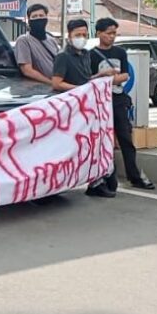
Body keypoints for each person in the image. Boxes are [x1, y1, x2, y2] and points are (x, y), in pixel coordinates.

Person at [89, 17, 155, 192]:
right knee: (103, 140)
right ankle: (106, 175)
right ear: (99, 33)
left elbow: (125, 75)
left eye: (114, 33)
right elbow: (89, 79)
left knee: (125, 138)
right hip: (100, 101)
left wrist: (110, 79)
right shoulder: (91, 55)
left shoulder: (120, 52)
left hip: (118, 99)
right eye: (108, 33)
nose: (112, 36)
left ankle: (134, 175)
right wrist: (104, 77)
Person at [52, 19, 115, 198]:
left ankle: (96, 182)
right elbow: (57, 83)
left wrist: (99, 76)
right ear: (69, 35)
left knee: (91, 144)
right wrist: (80, 90)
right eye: (77, 35)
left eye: (84, 35)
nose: (81, 38)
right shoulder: (63, 57)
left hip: (86, 107)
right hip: (70, 109)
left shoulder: (86, 54)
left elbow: (86, 79)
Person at [15, 3, 61, 85]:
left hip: (58, 86)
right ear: (29, 20)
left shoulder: (52, 41)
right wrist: (51, 83)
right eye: (34, 16)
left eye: (41, 16)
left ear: (46, 19)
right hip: (39, 88)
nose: (38, 18)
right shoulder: (24, 41)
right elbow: (27, 70)